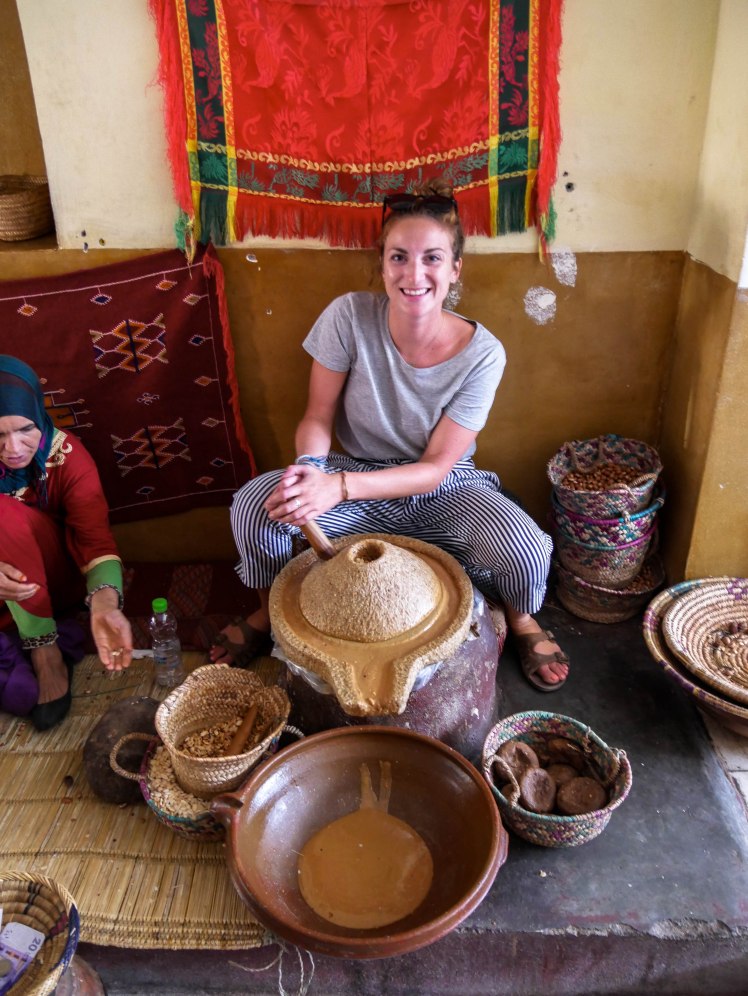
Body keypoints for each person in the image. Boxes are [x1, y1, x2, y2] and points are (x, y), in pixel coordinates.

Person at [211, 180, 569, 691]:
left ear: (454, 269)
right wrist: (311, 473)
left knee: (526, 550)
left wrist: (334, 490)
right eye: (399, 257)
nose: (414, 274)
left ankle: (521, 618)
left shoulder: (484, 354)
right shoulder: (348, 317)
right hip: (353, 471)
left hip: (446, 489)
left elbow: (435, 469)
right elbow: (317, 416)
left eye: (432, 258)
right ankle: (268, 609)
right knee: (255, 508)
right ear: (382, 263)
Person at [0, 355, 133, 730]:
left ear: (39, 415)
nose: (13, 448)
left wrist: (105, 604)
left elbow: (95, 540)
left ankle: (44, 650)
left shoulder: (68, 459)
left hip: (49, 578)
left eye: (25, 429)